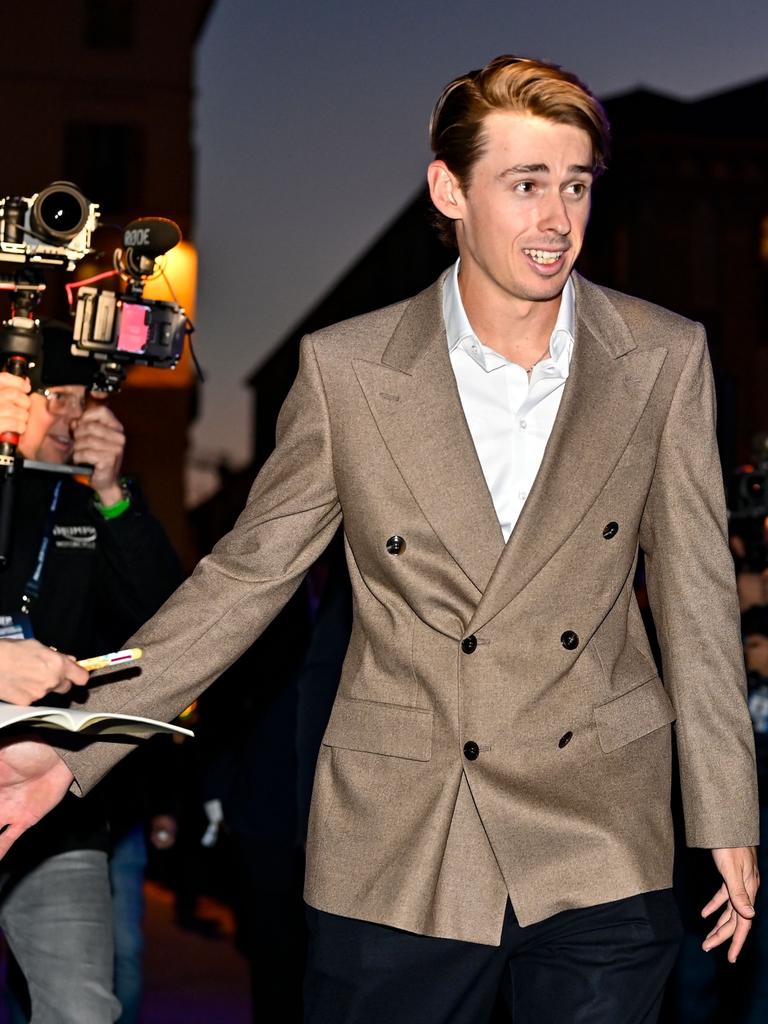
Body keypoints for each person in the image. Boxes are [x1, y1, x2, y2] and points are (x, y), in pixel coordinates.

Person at [0, 56, 759, 1024]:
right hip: (406, 832)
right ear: (451, 188)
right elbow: (246, 576)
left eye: (576, 185)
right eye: (526, 184)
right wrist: (82, 741)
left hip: (599, 823)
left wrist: (726, 816)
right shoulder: (349, 368)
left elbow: (696, 597)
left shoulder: (661, 354)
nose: (557, 219)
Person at [0, 328, 183, 1023]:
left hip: (55, 809)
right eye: (55, 397)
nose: (73, 417)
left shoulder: (85, 503)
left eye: (82, 399)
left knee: (82, 1008)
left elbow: (167, 623)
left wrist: (112, 493)